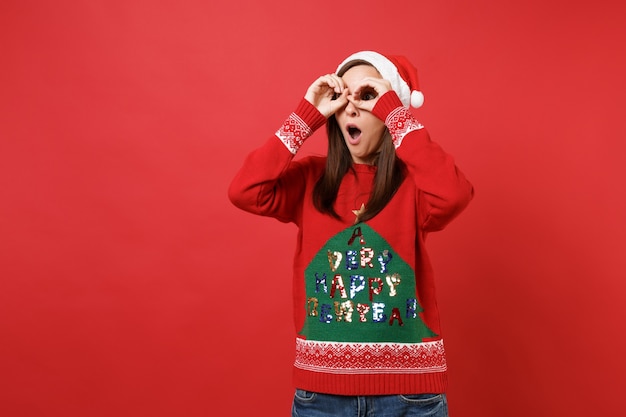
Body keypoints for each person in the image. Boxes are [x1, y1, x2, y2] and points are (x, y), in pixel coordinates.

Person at [228, 50, 474, 417]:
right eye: (343, 97)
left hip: (409, 396)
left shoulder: (413, 186)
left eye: (368, 96)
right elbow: (245, 190)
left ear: (394, 109)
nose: (351, 108)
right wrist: (304, 116)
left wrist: (394, 113)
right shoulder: (312, 179)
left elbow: (454, 194)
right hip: (321, 397)